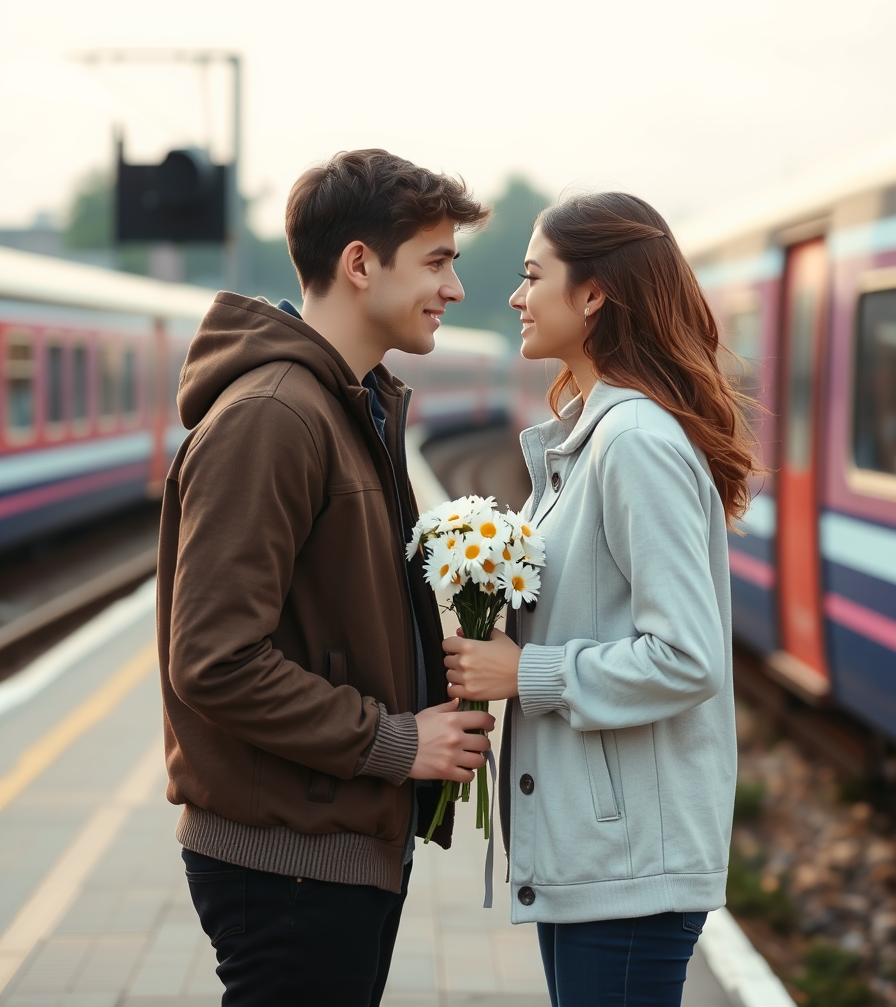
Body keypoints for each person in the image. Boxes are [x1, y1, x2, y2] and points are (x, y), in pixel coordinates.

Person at [156, 148, 495, 1007]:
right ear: (358, 264)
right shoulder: (276, 415)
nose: (453, 288)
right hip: (290, 860)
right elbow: (215, 659)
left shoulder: (350, 402)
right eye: (437, 260)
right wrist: (397, 739)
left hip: (331, 843)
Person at [443, 192, 759, 1007]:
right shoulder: (597, 436)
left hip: (629, 871)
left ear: (592, 295)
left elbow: (686, 657)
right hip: (599, 858)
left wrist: (527, 673)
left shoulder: (634, 443)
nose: (515, 297)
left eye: (530, 275)